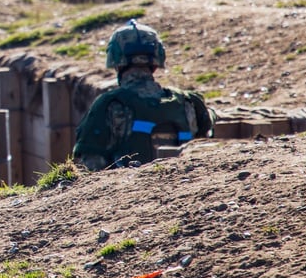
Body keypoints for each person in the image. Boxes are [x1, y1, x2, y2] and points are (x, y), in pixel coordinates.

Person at [73, 20, 213, 170]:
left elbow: (90, 163)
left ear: (116, 60)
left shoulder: (109, 104)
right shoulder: (188, 102)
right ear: (157, 58)